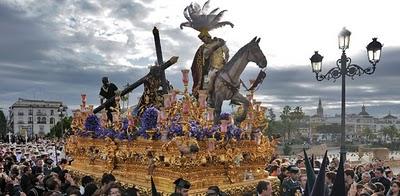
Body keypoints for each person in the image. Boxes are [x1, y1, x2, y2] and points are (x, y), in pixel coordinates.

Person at [191, 30, 229, 102]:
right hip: (211, 69)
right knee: (206, 81)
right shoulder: (204, 47)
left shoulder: (219, 42)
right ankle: (206, 97)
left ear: (207, 36)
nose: (203, 41)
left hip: (222, 67)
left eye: (203, 39)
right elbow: (204, 56)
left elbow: (227, 52)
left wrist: (226, 60)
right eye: (201, 40)